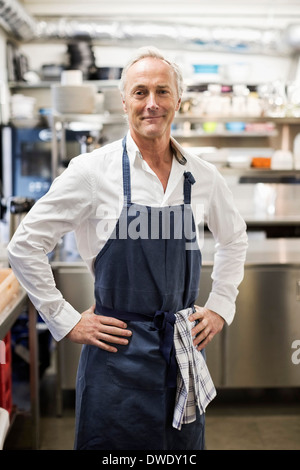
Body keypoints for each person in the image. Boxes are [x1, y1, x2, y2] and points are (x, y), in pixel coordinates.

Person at [7, 46, 248, 450]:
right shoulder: (91, 172)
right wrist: (65, 319)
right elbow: (24, 245)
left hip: (181, 353)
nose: (152, 103)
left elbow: (234, 237)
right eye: (140, 92)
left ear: (178, 100)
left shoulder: (201, 175)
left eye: (162, 91)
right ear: (124, 102)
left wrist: (222, 304)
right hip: (116, 360)